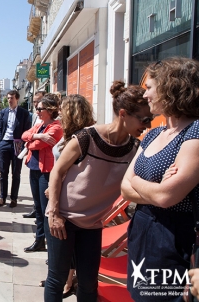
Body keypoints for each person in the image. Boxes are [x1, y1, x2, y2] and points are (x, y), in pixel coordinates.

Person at [45, 81, 151, 301]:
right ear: (123, 114)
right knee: (57, 279)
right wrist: (53, 212)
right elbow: (57, 172)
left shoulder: (134, 148)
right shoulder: (87, 137)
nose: (147, 125)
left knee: (88, 283)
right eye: (144, 119)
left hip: (93, 224)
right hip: (63, 219)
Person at [121, 58, 199, 301]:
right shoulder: (154, 133)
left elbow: (167, 196)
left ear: (171, 88)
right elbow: (124, 188)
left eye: (150, 88)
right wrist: (155, 189)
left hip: (172, 235)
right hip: (143, 228)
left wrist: (143, 184)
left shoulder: (194, 131)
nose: (146, 96)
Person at [41, 94, 96, 297]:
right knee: (59, 271)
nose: (59, 114)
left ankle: (68, 282)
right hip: (60, 204)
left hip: (67, 209)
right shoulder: (70, 135)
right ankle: (68, 280)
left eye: (63, 110)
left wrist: (57, 189)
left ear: (72, 112)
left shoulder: (84, 138)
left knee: (61, 276)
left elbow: (83, 172)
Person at [22, 93, 63, 253]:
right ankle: (39, 240)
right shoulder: (40, 126)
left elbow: (34, 146)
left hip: (46, 172)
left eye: (40, 108)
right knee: (38, 208)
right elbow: (24, 135)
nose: (37, 111)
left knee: (47, 210)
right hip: (34, 169)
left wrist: (31, 141)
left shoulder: (56, 127)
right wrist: (37, 135)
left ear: (50, 110)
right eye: (37, 108)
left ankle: (52, 246)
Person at [0, 89, 32, 208]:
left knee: (16, 173)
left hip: (17, 144)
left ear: (17, 99)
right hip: (5, 144)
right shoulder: (3, 112)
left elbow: (27, 130)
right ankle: (2, 197)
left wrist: (24, 145)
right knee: (3, 172)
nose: (9, 100)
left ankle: (14, 198)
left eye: (12, 98)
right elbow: (1, 128)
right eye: (8, 98)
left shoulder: (24, 113)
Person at [24, 90, 47, 219]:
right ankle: (35, 210)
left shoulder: (52, 122)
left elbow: (41, 143)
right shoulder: (34, 116)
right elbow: (26, 135)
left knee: (42, 191)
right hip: (33, 158)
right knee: (35, 189)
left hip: (44, 160)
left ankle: (41, 219)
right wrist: (33, 138)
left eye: (38, 101)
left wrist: (29, 142)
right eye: (34, 102)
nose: (35, 105)